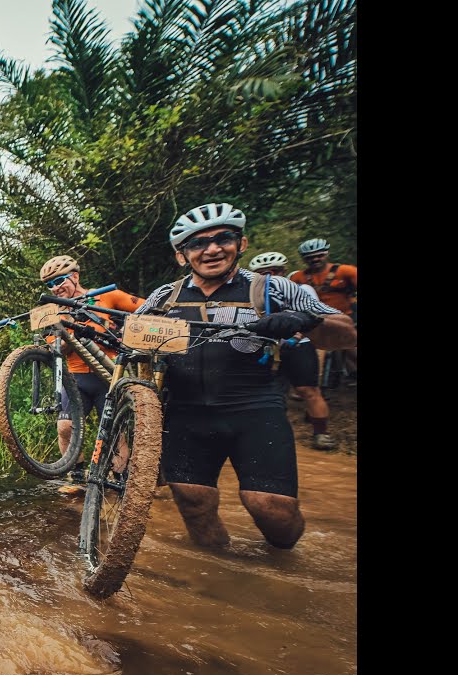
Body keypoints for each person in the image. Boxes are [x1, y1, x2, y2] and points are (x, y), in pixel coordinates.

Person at [133, 203, 356, 550]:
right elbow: (128, 342)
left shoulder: (275, 288)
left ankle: (286, 563)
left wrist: (303, 320)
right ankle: (221, 581)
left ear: (242, 243)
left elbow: (346, 333)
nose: (211, 249)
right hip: (186, 413)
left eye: (222, 238)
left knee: (272, 511)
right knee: (194, 505)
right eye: (197, 244)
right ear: (182, 256)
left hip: (254, 408)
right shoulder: (164, 297)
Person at [38, 255, 145, 493]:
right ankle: (76, 477)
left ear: (75, 277)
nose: (56, 287)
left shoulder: (106, 296)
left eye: (60, 280)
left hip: (109, 374)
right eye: (50, 285)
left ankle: (120, 478)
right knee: (65, 427)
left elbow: (146, 308)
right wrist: (64, 326)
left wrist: (127, 330)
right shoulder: (54, 313)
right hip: (76, 377)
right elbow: (55, 348)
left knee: (114, 433)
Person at [248, 252, 337, 450]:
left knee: (308, 390)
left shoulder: (300, 288)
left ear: (284, 270)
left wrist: (296, 336)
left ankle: (321, 433)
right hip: (268, 347)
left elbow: (315, 315)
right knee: (268, 391)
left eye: (274, 271)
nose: (270, 275)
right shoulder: (254, 292)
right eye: (262, 273)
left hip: (300, 344)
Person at [288, 238, 358, 383]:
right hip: (314, 320)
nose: (315, 259)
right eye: (310, 257)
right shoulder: (298, 277)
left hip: (344, 317)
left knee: (351, 345)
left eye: (319, 255)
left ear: (326, 254)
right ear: (304, 259)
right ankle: (312, 381)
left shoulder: (346, 271)